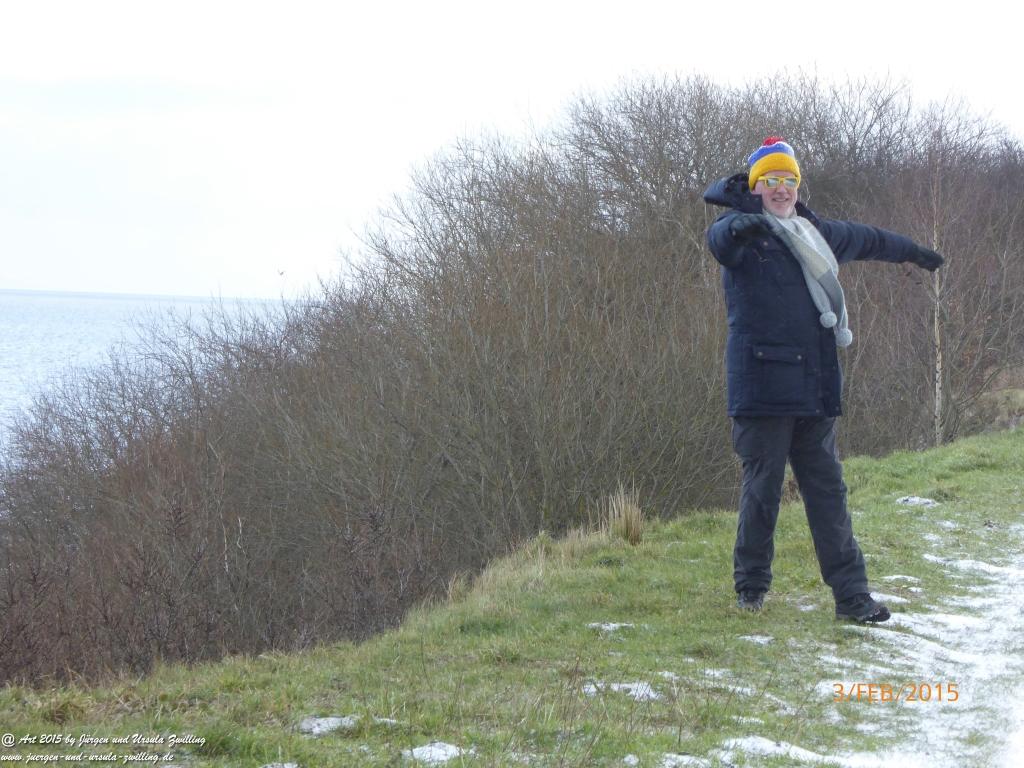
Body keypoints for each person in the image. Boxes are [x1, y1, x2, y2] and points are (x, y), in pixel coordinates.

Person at [703, 137, 943, 623]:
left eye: (788, 180)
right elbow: (720, 240)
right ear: (756, 185)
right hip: (762, 389)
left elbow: (870, 238)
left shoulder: (815, 233)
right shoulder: (740, 231)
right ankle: (750, 588)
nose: (781, 188)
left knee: (828, 494)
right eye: (770, 180)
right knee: (762, 492)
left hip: (815, 388)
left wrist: (913, 252)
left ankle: (852, 598)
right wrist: (740, 227)